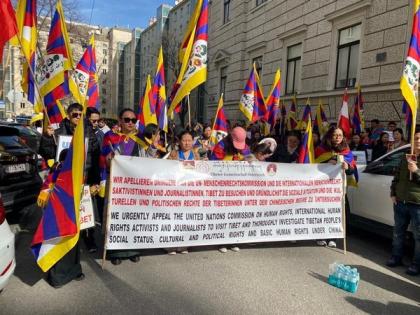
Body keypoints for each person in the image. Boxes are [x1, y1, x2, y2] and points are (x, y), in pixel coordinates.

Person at [101, 108, 160, 265]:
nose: (130, 123)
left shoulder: (140, 139)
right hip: (117, 185)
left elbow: (147, 160)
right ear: (120, 121)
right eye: (127, 120)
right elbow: (104, 159)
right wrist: (110, 158)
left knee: (133, 216)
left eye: (133, 120)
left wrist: (153, 147)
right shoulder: (110, 137)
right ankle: (115, 252)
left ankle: (133, 249)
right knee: (116, 217)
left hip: (134, 187)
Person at [56, 103, 101, 253]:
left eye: (81, 114)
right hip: (66, 181)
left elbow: (95, 159)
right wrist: (46, 137)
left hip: (85, 178)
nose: (78, 117)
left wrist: (95, 182)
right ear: (68, 115)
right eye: (75, 115)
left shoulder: (89, 132)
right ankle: (69, 241)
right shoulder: (59, 132)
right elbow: (48, 152)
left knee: (87, 211)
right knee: (67, 213)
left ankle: (89, 239)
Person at [37, 149, 85, 288]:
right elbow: (44, 192)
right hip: (58, 219)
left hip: (73, 217)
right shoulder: (55, 173)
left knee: (73, 246)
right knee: (59, 247)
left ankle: (75, 271)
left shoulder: (77, 173)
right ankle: (57, 278)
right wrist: (49, 193)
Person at [210, 126, 251, 253]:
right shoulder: (220, 146)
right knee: (223, 214)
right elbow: (213, 165)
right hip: (222, 186)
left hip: (238, 187)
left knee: (236, 213)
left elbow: (249, 159)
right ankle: (221, 240)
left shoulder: (245, 147)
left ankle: (234, 240)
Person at [314, 126, 356, 248]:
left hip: (338, 188)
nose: (337, 138)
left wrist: (348, 167)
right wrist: (325, 164)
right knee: (322, 211)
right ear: (329, 136)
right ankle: (320, 235)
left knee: (336, 212)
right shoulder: (321, 149)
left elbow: (352, 169)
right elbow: (313, 166)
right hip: (322, 187)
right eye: (335, 135)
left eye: (340, 135)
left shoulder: (346, 151)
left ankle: (333, 237)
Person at [388, 128, 420, 275]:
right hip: (401, 201)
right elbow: (397, 176)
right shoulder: (405, 157)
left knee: (418, 236)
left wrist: (416, 171)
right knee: (398, 232)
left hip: (417, 204)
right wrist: (393, 193)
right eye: (415, 139)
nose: (418, 141)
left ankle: (416, 264)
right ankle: (396, 257)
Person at [166, 130, 200, 255]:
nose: (187, 143)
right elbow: (166, 170)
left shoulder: (196, 155)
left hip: (189, 192)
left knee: (186, 219)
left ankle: (183, 244)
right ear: (179, 141)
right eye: (184, 140)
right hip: (175, 192)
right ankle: (170, 245)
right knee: (174, 218)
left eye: (189, 140)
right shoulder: (173, 154)